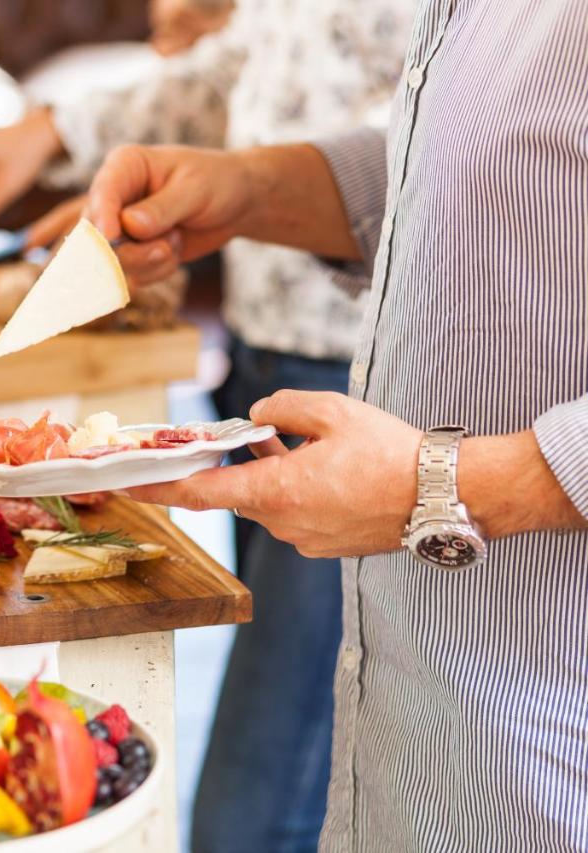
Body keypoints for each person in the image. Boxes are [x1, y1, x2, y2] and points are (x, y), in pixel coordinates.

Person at [0, 2, 413, 849]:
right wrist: (49, 130)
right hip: (269, 352)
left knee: (264, 780)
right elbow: (241, 65)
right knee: (313, 714)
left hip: (359, 373)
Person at [84, 1, 588, 849]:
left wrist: (443, 486)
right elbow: (510, 172)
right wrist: (254, 186)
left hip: (547, 752)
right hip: (431, 736)